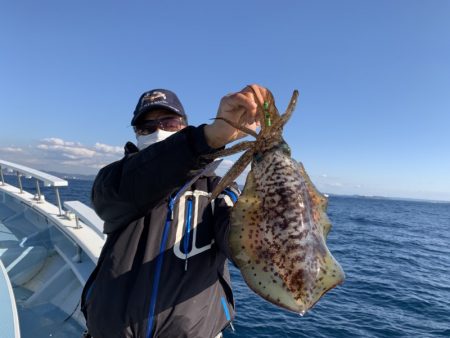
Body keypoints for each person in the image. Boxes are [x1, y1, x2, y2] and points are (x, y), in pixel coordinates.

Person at [81, 85, 267, 338]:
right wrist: (208, 138)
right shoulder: (115, 180)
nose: (158, 131)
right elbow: (123, 191)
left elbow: (241, 247)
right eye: (146, 127)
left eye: (169, 122)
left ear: (184, 126)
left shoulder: (221, 189)